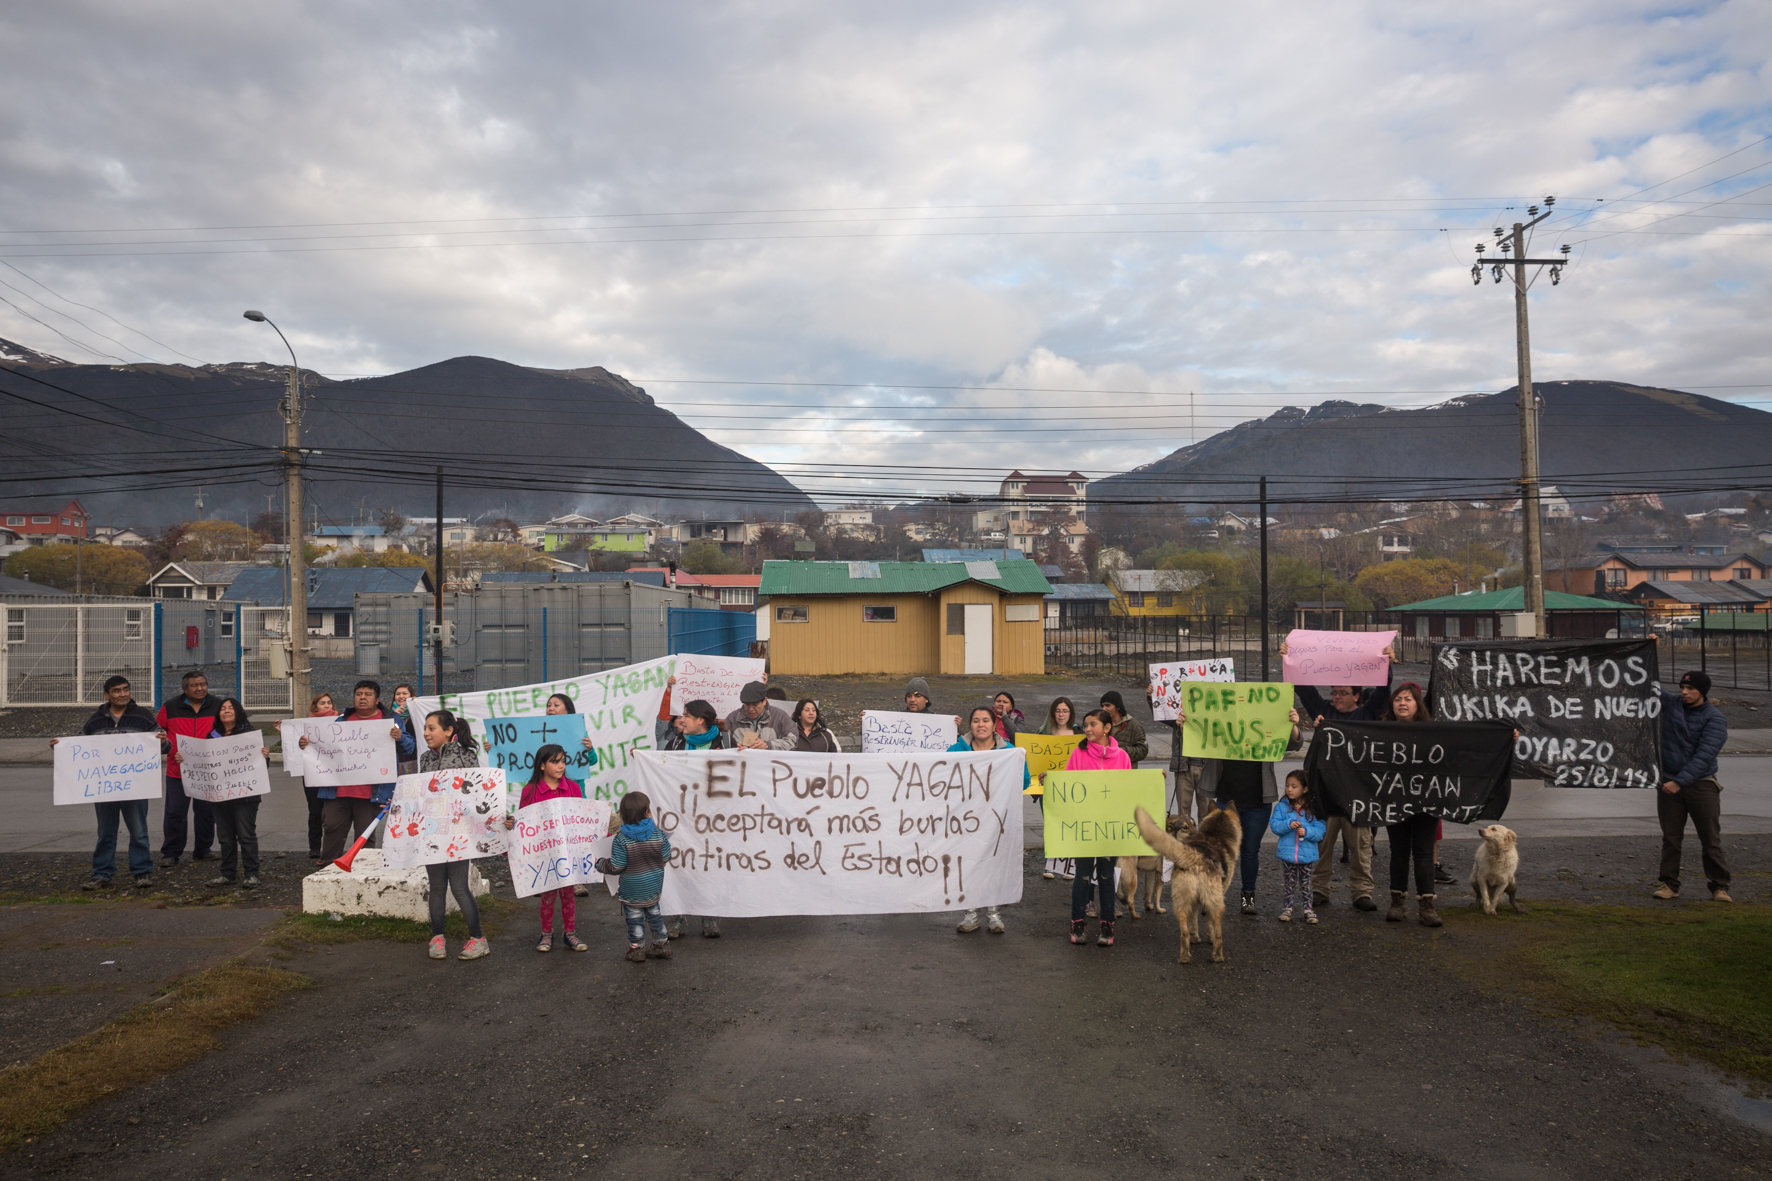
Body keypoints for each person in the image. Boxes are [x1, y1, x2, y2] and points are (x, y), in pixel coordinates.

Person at [1282, 639, 1396, 913]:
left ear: (1357, 695)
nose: (1336, 697)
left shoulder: (1369, 713)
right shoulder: (1326, 712)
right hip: (1327, 793)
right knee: (1320, 845)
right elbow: (1305, 689)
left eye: (1342, 692)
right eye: (1334, 692)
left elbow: (1383, 689)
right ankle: (1319, 889)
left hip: (1358, 794)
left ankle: (1362, 892)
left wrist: (1387, 663)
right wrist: (1290, 659)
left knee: (1361, 847)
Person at [56, 675, 160, 891]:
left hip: (135, 785)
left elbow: (162, 745)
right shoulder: (96, 720)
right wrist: (60, 746)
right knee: (105, 832)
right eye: (116, 690)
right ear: (107, 695)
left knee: (139, 831)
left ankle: (142, 872)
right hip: (104, 788)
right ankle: (102, 874)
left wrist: (163, 742)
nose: (122, 694)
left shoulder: (143, 716)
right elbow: (79, 744)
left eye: (125, 689)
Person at [1202, 707, 1304, 916]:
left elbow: (1294, 744)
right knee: (1217, 852)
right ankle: (1212, 897)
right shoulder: (1222, 728)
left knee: (1249, 852)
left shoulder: (1264, 730)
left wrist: (1293, 725)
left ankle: (1247, 897)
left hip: (1257, 803)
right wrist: (1187, 724)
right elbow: (1198, 737)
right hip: (1225, 801)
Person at [300, 679, 414, 864]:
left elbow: (410, 747)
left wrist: (400, 738)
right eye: (359, 694)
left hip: (372, 794)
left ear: (377, 699)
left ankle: (363, 874)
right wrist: (305, 744)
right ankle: (327, 872)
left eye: (368, 695)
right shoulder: (341, 720)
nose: (362, 698)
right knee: (332, 832)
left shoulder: (391, 720)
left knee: (366, 838)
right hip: (337, 793)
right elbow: (323, 747)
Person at [946, 706, 1029, 936]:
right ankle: (970, 913)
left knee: (993, 864)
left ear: (994, 725)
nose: (980, 725)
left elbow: (1023, 781)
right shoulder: (955, 751)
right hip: (965, 821)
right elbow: (940, 778)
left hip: (996, 821)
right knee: (968, 865)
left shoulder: (1009, 752)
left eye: (985, 720)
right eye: (975, 721)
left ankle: (993, 913)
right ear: (969, 725)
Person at [503, 744, 589, 952]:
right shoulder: (530, 791)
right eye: (555, 761)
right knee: (548, 894)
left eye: (563, 761)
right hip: (544, 853)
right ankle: (546, 934)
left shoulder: (573, 788)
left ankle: (570, 933)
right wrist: (511, 824)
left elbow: (581, 817)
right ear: (542, 766)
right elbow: (523, 820)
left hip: (567, 851)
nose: (561, 766)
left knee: (568, 893)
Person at [418, 710, 489, 961]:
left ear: (449, 731)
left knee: (459, 887)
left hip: (459, 833)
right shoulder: (425, 758)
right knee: (436, 887)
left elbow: (477, 792)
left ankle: (478, 939)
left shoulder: (467, 756)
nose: (426, 733)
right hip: (433, 832)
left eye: (431, 728)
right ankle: (437, 937)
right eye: (425, 728)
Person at [1654, 670, 1731, 903]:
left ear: (1702, 692)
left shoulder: (1715, 719)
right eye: (1682, 688)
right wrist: (1650, 650)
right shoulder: (1673, 704)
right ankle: (1669, 885)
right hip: (1668, 783)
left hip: (1701, 785)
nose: (1684, 693)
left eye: (1690, 689)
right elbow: (1648, 685)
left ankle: (1719, 887)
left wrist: (1680, 782)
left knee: (1709, 838)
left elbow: (1704, 756)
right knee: (1671, 838)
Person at [177, 698, 268, 889]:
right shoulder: (212, 735)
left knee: (246, 835)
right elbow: (204, 761)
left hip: (245, 796)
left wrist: (264, 756)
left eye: (231, 708)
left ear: (238, 711)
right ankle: (228, 874)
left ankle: (252, 874)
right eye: (223, 708)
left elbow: (261, 766)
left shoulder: (249, 735)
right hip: (220, 795)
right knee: (225, 837)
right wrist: (184, 758)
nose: (227, 711)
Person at [1063, 708, 1132, 947]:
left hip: (1109, 828)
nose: (1088, 729)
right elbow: (1068, 787)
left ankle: (1107, 925)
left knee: (1105, 875)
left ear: (1107, 728)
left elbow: (1129, 790)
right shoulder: (1078, 754)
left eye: (1093, 724)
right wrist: (1049, 780)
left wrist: (1153, 781)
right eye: (1085, 725)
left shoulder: (1122, 756)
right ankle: (1077, 922)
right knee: (1081, 876)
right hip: (1084, 826)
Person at [660, 699, 727, 938]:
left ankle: (709, 915)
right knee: (680, 863)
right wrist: (643, 759)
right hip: (682, 815)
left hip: (715, 817)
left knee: (709, 864)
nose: (681, 719)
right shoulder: (675, 742)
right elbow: (661, 770)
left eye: (686, 715)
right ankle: (678, 916)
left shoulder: (726, 742)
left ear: (700, 720)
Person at [1379, 683, 1443, 927]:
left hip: (1426, 802)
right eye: (1397, 699)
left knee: (1424, 853)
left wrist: (1504, 735)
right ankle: (1397, 903)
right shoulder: (1381, 730)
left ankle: (1427, 906)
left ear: (1418, 705)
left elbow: (1466, 745)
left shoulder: (1433, 731)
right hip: (1394, 801)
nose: (1402, 703)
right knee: (1399, 852)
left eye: (1407, 699)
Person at [597, 790, 675, 964]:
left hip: (631, 890)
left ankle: (637, 949)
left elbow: (616, 866)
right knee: (654, 914)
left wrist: (600, 863)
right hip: (653, 886)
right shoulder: (658, 834)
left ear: (622, 815)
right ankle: (661, 944)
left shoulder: (621, 839)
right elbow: (666, 856)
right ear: (647, 812)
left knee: (634, 919)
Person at [155, 670, 222, 867]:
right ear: (185, 688)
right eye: (194, 685)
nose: (200, 688)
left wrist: (214, 745)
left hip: (207, 770)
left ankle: (203, 849)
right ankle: (171, 852)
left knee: (206, 813)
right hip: (177, 770)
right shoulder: (170, 707)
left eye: (203, 684)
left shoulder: (217, 705)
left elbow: (226, 730)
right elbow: (158, 732)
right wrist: (167, 747)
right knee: (175, 812)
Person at [1270, 770, 1326, 924]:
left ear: (1305, 789)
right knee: (1288, 882)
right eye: (1287, 785)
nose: (1289, 789)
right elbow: (1275, 826)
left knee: (1306, 883)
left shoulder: (1314, 809)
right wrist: (1288, 824)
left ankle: (1308, 910)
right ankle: (1287, 909)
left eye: (1294, 786)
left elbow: (1320, 832)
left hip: (1307, 856)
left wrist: (1307, 831)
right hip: (1288, 854)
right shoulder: (1282, 807)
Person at [1040, 697, 1078, 881]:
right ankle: (1050, 864)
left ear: (1070, 713)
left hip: (1073, 787)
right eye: (1058, 711)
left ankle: (1069, 866)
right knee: (1051, 824)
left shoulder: (1079, 733)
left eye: (1065, 711)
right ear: (1052, 713)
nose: (1061, 714)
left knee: (1070, 824)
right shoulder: (1043, 733)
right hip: (1049, 787)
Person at [301, 693, 338, 864]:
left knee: (332, 812)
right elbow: (295, 747)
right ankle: (314, 847)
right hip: (313, 772)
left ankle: (331, 847)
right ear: (315, 707)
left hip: (334, 772)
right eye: (323, 703)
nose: (327, 706)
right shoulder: (305, 725)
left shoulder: (340, 721)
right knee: (315, 812)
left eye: (329, 703)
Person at [725, 681, 795, 749]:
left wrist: (767, 745)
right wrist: (735, 747)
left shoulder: (780, 717)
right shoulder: (732, 719)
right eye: (747, 705)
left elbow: (793, 742)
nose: (751, 709)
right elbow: (723, 744)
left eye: (755, 705)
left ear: (764, 701)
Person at [1098, 691, 1148, 767]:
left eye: (1108, 705)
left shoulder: (1134, 725)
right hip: (1104, 771)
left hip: (1126, 772)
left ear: (1118, 707)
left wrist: (1120, 751)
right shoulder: (1099, 724)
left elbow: (1142, 750)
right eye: (1102, 706)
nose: (1104, 709)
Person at [392, 683, 419, 775]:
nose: (401, 696)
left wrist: (419, 705)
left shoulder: (418, 713)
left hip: (414, 760)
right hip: (395, 762)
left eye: (404, 693)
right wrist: (393, 716)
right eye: (398, 694)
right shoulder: (388, 714)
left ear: (411, 696)